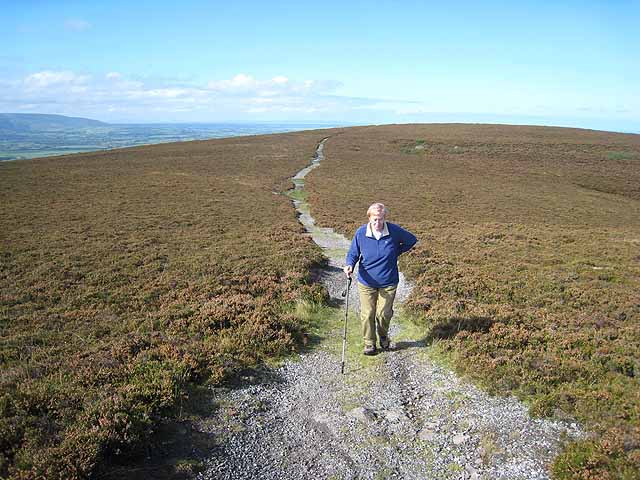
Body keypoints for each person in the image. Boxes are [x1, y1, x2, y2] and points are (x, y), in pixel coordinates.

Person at [343, 203, 417, 355]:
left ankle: (383, 336)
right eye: (375, 219)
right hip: (366, 281)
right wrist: (349, 265)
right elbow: (353, 253)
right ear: (369, 218)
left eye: (381, 219)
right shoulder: (361, 233)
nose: (378, 223)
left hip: (388, 281)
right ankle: (369, 343)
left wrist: (397, 251)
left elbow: (411, 240)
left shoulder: (394, 231)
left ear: (385, 218)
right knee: (368, 313)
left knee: (384, 314)